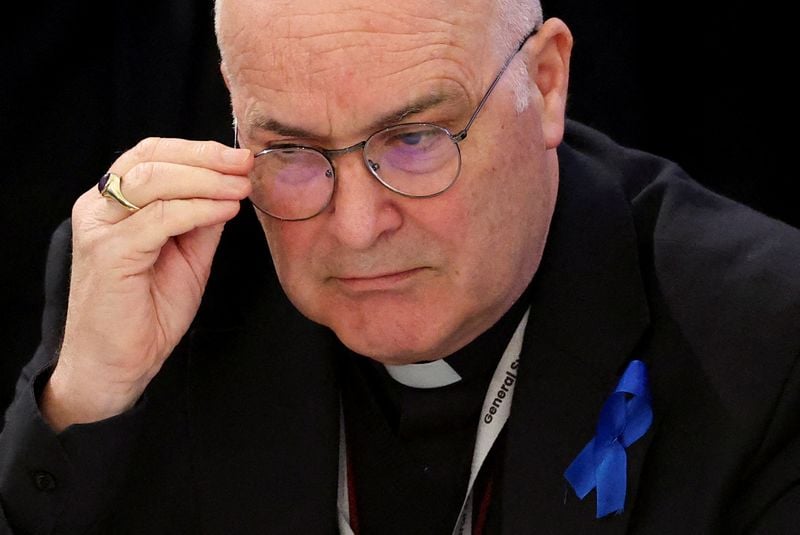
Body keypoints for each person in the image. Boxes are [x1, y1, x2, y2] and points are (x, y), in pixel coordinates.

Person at [1, 0, 798, 532]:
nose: (356, 227)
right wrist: (85, 405)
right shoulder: (156, 281)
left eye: (415, 140)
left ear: (546, 82)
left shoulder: (766, 336)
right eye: (293, 149)